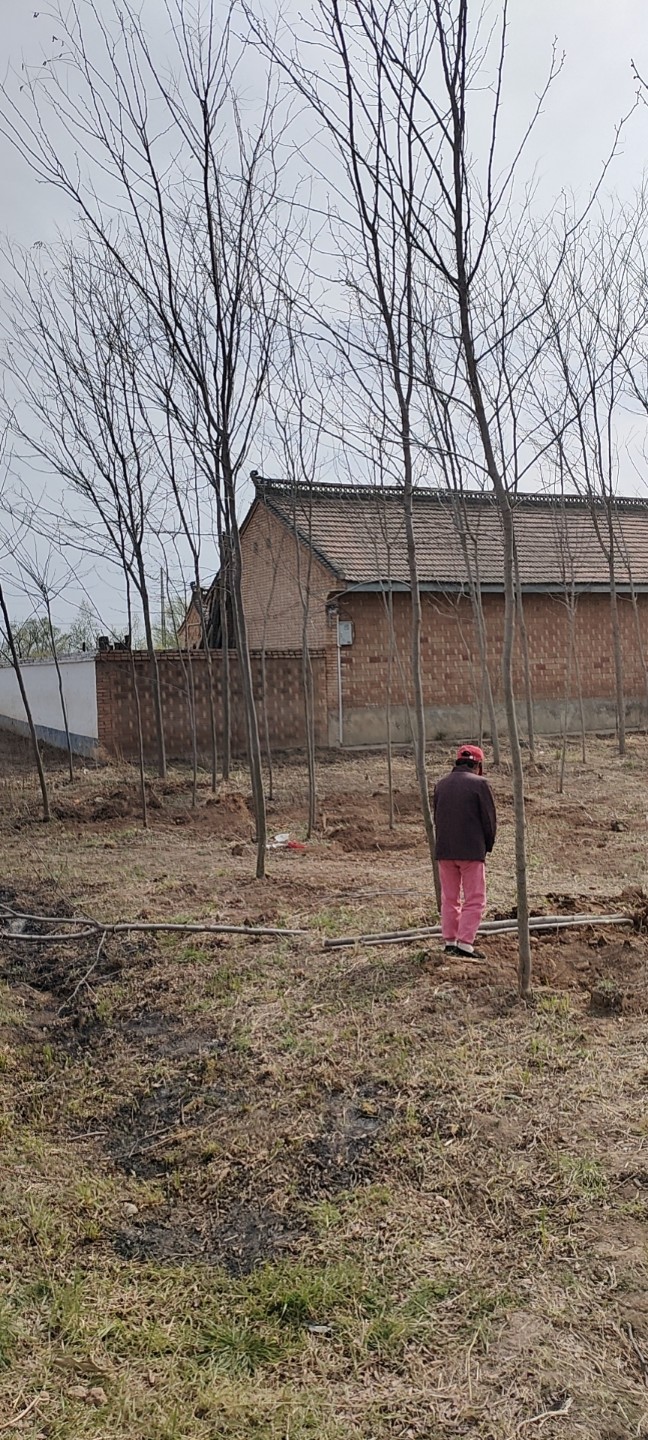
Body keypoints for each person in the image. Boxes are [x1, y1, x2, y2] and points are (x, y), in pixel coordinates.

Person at [432, 744, 497, 959]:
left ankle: (449, 941)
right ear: (478, 765)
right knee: (475, 898)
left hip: (444, 850)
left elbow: (437, 818)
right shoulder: (480, 784)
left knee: (449, 898)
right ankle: (465, 943)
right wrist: (487, 845)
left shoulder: (441, 785)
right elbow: (489, 820)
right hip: (471, 851)